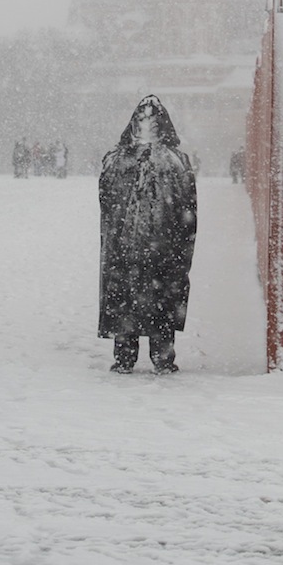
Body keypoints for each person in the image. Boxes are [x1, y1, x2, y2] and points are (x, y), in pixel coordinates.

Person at [98, 95, 197, 375]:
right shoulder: (117, 158)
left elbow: (187, 205)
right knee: (125, 299)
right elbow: (106, 198)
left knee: (161, 299)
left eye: (153, 120)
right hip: (125, 245)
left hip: (162, 245)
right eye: (142, 119)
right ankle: (125, 356)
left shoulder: (175, 160)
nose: (147, 125)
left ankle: (162, 356)